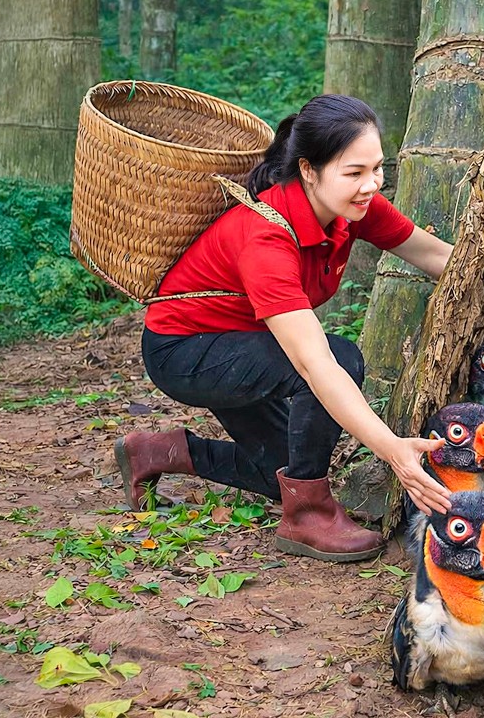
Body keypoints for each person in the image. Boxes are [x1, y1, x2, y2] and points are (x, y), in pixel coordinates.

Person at [114, 95, 453, 563]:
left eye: (376, 168)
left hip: (242, 342)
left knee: (282, 470)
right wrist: (393, 451)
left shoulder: (353, 208)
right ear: (309, 171)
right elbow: (314, 365)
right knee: (341, 360)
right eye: (353, 173)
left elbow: (436, 256)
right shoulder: (266, 237)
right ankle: (307, 515)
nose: (371, 185)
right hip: (184, 351)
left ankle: (158, 453)